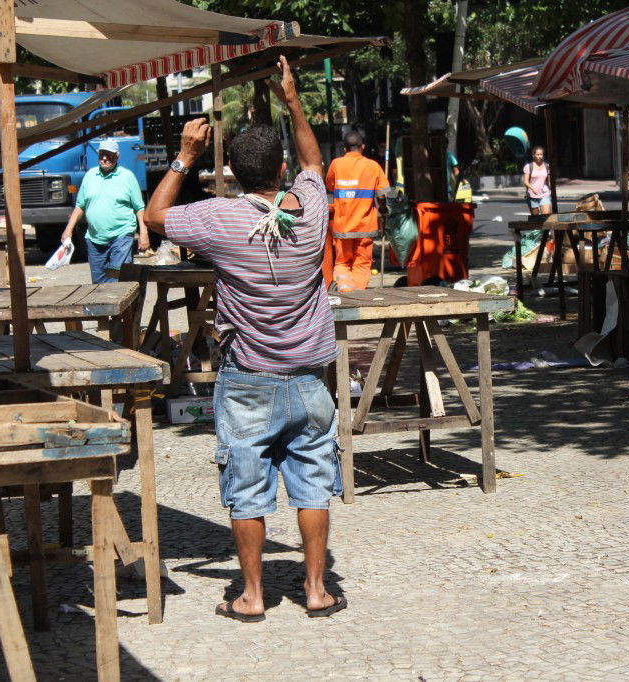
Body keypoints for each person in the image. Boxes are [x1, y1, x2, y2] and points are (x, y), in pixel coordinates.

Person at [144, 56, 346, 622]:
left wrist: (185, 154)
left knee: (248, 489)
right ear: (281, 172)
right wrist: (294, 101)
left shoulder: (220, 218)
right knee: (312, 487)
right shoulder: (309, 212)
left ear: (231, 171)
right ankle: (314, 590)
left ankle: (253, 596)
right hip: (308, 380)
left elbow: (155, 215)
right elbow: (315, 159)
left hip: (247, 381)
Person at [62, 139, 149, 283]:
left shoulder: (127, 177)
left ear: (117, 156)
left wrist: (144, 233)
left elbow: (139, 208)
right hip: (95, 240)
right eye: (102, 154)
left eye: (109, 155)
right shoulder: (90, 176)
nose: (104, 158)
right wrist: (68, 230)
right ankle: (104, 306)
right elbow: (80, 206)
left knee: (118, 279)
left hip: (121, 236)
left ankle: (120, 305)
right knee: (99, 285)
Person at [326, 130, 391, 292]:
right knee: (362, 264)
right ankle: (358, 295)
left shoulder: (336, 164)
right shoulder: (373, 166)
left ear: (344, 149)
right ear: (363, 147)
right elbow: (382, 195)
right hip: (365, 227)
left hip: (342, 227)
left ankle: (346, 292)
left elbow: (330, 185)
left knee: (342, 263)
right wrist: (383, 209)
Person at [523, 146, 552, 216]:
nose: (539, 156)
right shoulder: (529, 167)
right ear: (534, 155)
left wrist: (551, 188)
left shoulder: (547, 166)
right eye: (538, 154)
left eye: (541, 154)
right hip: (533, 195)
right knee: (535, 218)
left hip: (544, 193)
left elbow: (549, 181)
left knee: (546, 215)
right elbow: (526, 182)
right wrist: (533, 189)